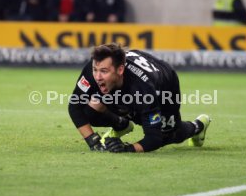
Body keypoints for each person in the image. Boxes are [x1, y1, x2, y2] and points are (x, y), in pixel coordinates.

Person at [68, 43, 211, 152]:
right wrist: (93, 142)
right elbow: (74, 106)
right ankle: (121, 125)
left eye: (104, 71)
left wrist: (127, 148)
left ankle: (198, 125)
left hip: (165, 84)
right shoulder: (93, 70)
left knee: (168, 134)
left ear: (120, 69)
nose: (97, 77)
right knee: (90, 110)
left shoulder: (143, 88)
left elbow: (154, 138)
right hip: (125, 86)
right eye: (95, 70)